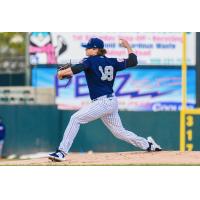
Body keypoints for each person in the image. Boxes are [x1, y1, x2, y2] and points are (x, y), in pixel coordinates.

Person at [49, 38, 162, 162]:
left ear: (96, 49)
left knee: (75, 119)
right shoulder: (112, 61)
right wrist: (127, 46)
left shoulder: (89, 61)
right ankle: (149, 145)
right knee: (119, 132)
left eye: (88, 47)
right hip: (111, 102)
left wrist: (61, 73)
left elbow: (78, 68)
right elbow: (133, 61)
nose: (86, 49)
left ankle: (61, 152)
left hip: (102, 102)